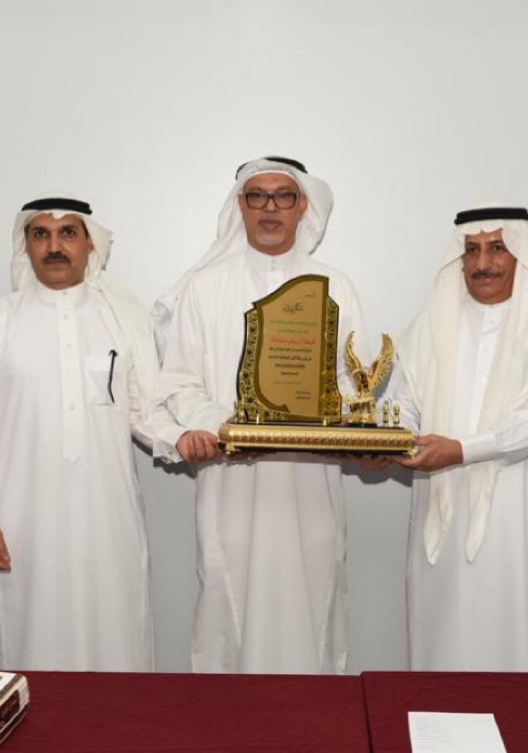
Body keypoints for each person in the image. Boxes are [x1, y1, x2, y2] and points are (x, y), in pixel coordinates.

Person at [0, 196, 198, 671]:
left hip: (107, 522)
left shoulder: (122, 319)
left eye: (67, 234)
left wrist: (181, 440)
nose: (54, 246)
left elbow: (143, 410)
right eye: (41, 234)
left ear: (89, 244)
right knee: (22, 644)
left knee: (112, 641)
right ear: (26, 245)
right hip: (17, 523)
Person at [154, 156, 370, 674]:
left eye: (283, 196)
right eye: (258, 196)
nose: (270, 208)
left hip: (310, 485)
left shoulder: (335, 286)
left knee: (313, 605)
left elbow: (354, 383)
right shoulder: (204, 288)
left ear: (303, 207)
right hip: (231, 481)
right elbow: (180, 383)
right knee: (228, 607)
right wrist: (237, 425)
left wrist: (330, 418)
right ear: (241, 206)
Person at [395, 205, 528, 671]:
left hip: (519, 508)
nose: (483, 263)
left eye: (497, 249)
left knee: (519, 628)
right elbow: (405, 401)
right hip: (443, 509)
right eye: (472, 250)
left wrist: (460, 450)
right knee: (444, 633)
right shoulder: (433, 321)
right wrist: (390, 442)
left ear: (520, 253)